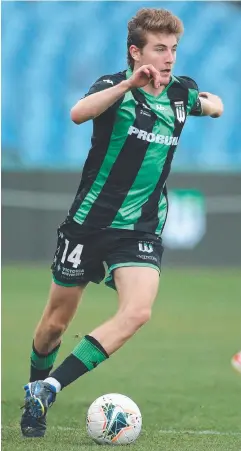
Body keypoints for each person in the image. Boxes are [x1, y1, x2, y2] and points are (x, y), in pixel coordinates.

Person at [20, 7, 224, 437]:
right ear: (136, 52)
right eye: (158, 49)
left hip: (140, 230)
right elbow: (78, 114)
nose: (168, 57)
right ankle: (33, 387)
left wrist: (208, 104)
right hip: (88, 225)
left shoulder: (180, 94)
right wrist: (131, 84)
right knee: (54, 325)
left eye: (173, 49)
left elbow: (216, 106)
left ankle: (50, 387)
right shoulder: (115, 87)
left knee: (138, 311)